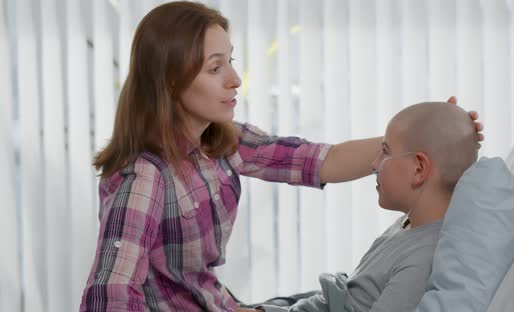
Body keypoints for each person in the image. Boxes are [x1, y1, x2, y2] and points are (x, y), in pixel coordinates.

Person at [79, 2, 483, 311]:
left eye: (230, 62)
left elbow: (322, 160)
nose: (235, 79)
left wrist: (425, 137)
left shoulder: (224, 141)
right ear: (170, 79)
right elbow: (108, 293)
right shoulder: (143, 177)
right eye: (215, 68)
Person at [242, 102, 479, 312]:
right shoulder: (409, 224)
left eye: (385, 152)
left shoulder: (424, 258)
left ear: (419, 169)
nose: (374, 164)